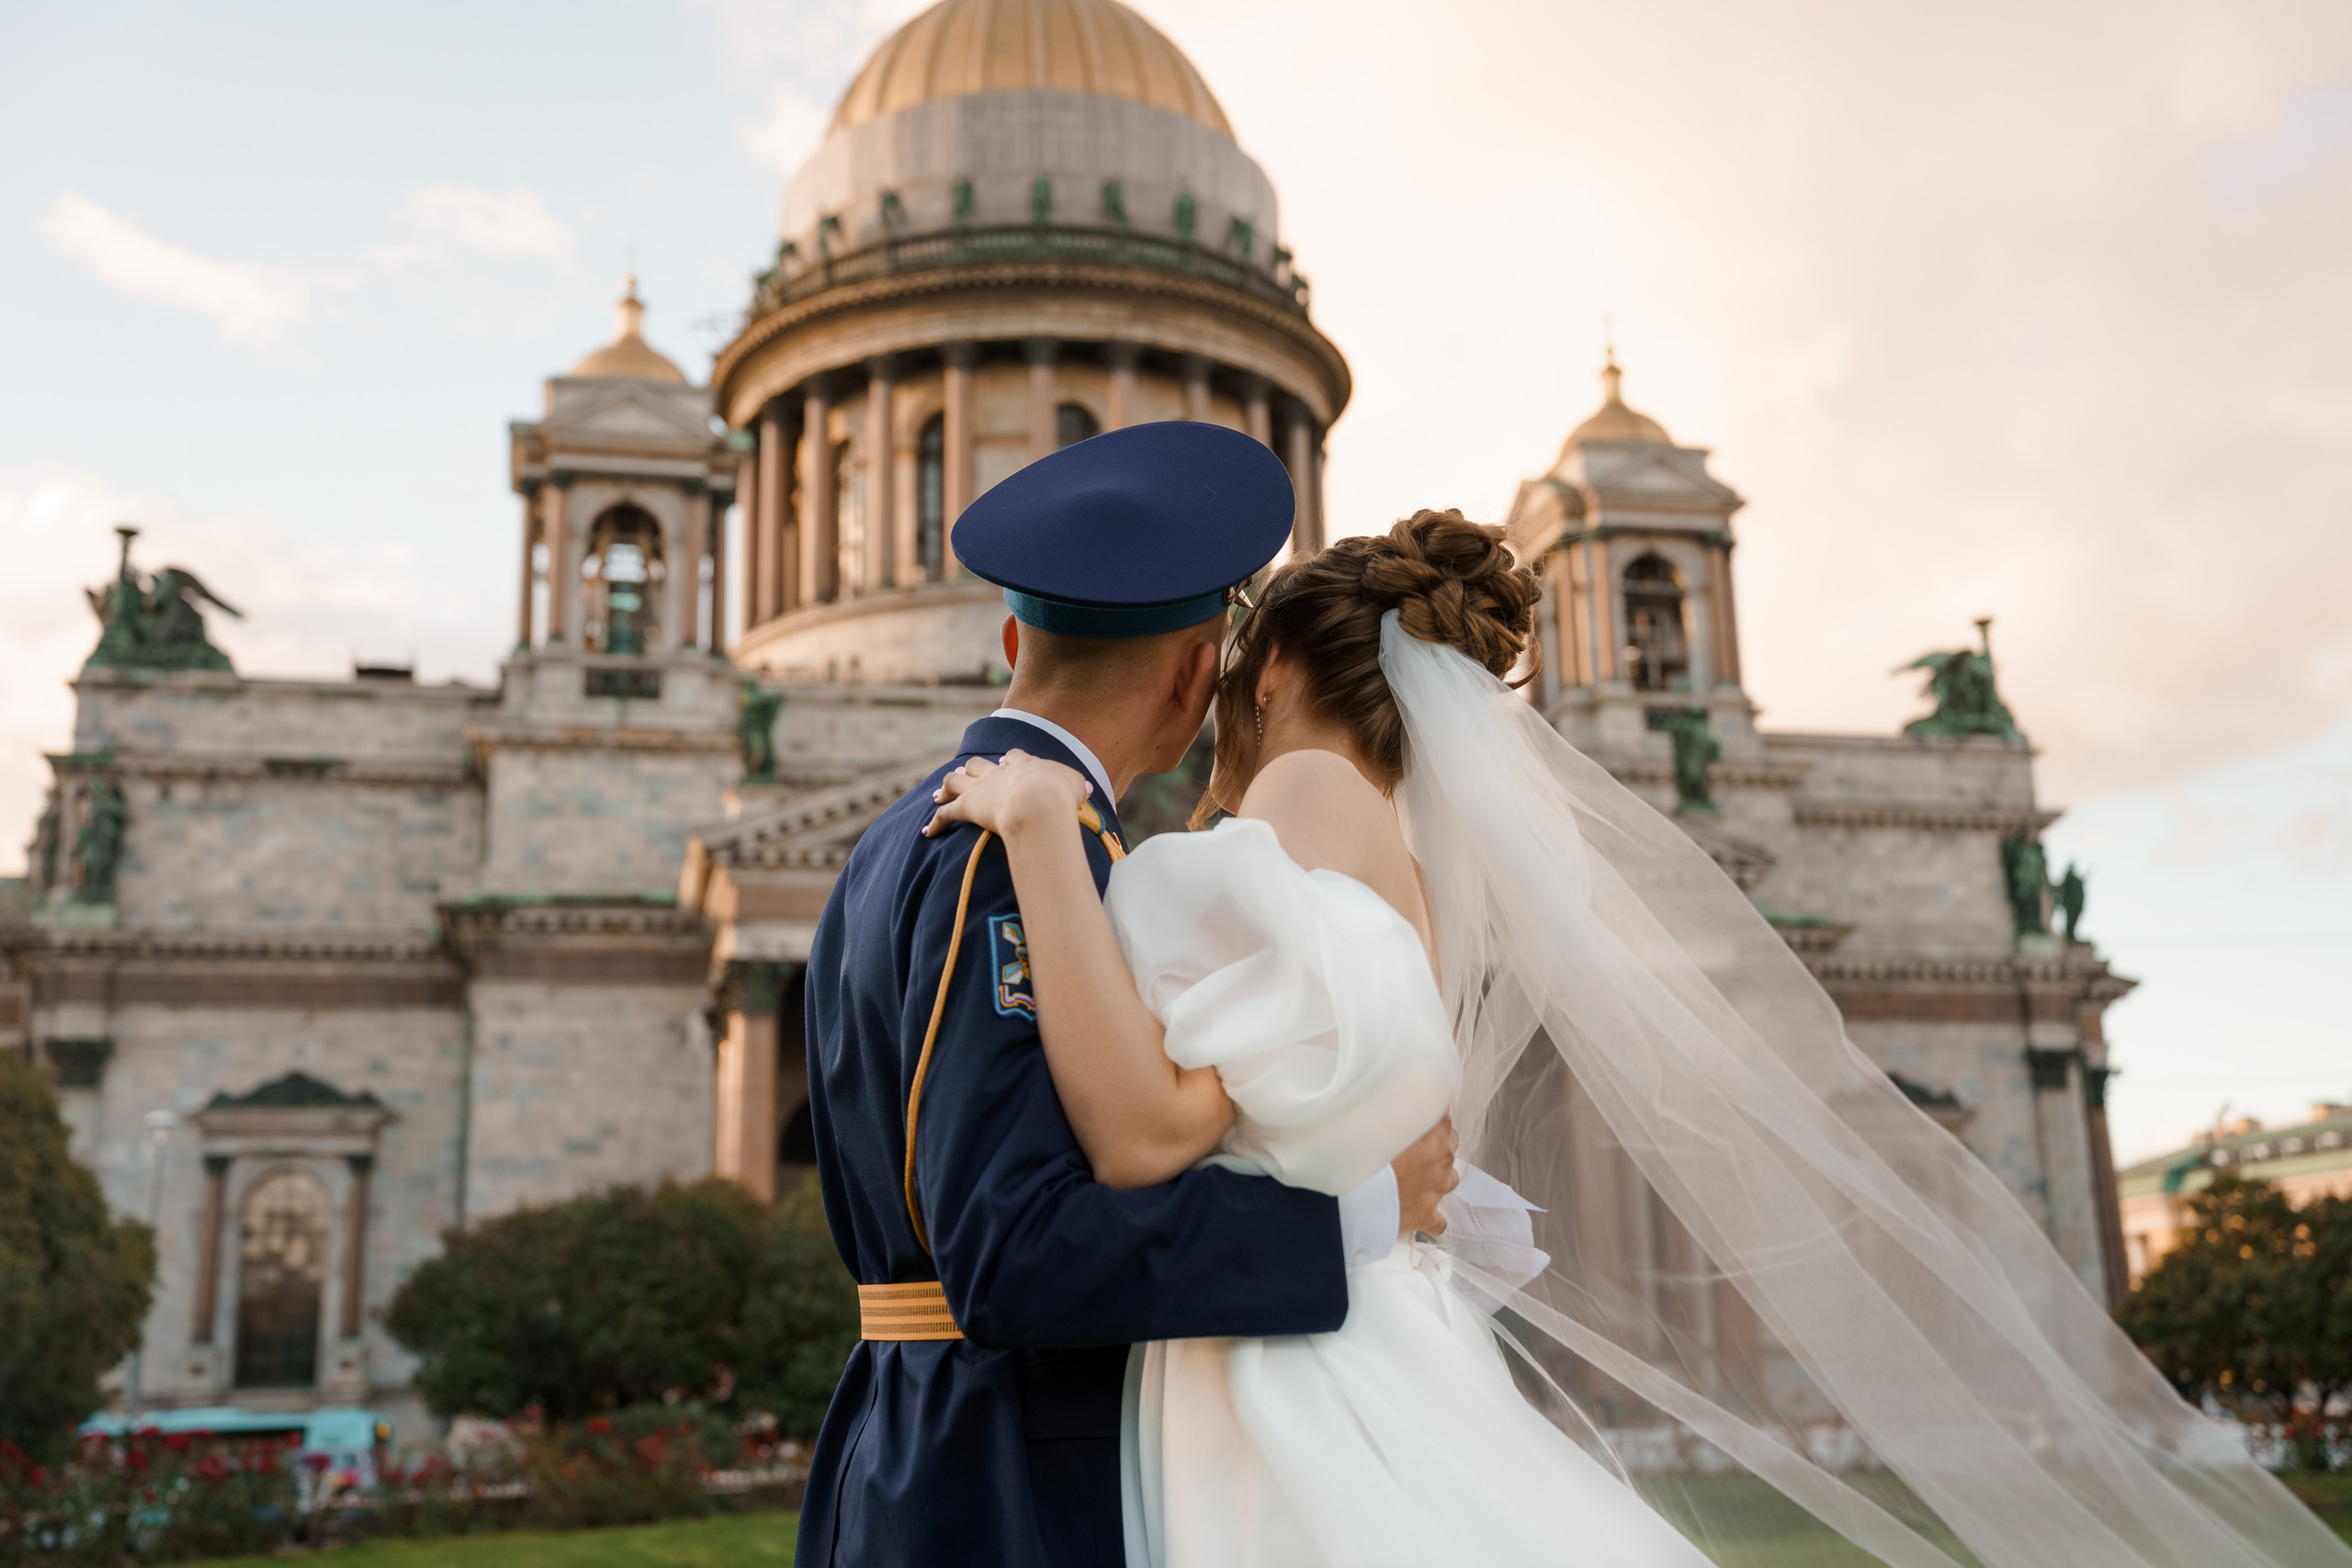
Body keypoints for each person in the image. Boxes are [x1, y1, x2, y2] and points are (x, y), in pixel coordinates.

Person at [929, 510, 2352, 1568]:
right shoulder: (1404, 867)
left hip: (1286, 1371)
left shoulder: (1287, 798)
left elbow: (1150, 1130)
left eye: (1232, 659)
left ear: (1279, 669)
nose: (1207, 694)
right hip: (1359, 1340)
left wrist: (1052, 837)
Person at [795, 422, 1460, 1568]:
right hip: (1010, 1480)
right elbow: (1017, 1253)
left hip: (917, 1444)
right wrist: (1360, 1216)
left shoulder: (900, 839)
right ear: (1200, 670)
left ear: (1013, 635)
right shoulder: (1011, 853)